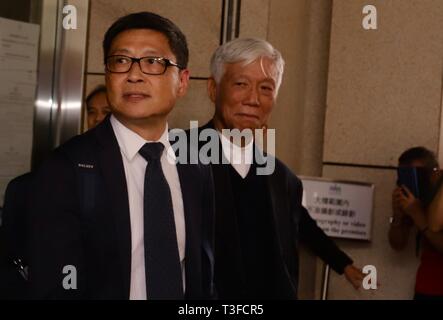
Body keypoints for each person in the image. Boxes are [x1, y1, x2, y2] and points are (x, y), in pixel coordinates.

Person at [27, 12, 215, 300]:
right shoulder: (67, 167)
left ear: (183, 81)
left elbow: (202, 274)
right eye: (121, 61)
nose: (134, 74)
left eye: (153, 62)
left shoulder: (196, 166)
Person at [190, 38, 363, 299]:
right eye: (241, 84)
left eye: (266, 88)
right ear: (213, 89)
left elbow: (302, 225)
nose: (253, 99)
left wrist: (342, 263)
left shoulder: (283, 179)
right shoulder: (177, 157)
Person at [389, 146, 443, 299]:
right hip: (426, 285)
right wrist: (397, 216)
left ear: (435, 172)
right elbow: (397, 244)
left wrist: (418, 216)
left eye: (418, 175)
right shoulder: (416, 197)